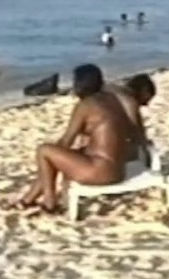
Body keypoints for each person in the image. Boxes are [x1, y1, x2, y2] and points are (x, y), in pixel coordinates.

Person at [13, 64, 138, 213]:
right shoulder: (110, 99)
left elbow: (66, 142)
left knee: (44, 151)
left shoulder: (86, 105)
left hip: (100, 172)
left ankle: (49, 203)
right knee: (55, 156)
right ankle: (28, 200)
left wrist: (55, 153)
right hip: (117, 170)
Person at [107, 74, 157, 163]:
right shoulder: (129, 102)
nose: (146, 104)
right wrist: (146, 151)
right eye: (147, 99)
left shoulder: (112, 88)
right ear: (144, 91)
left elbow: (138, 122)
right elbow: (136, 130)